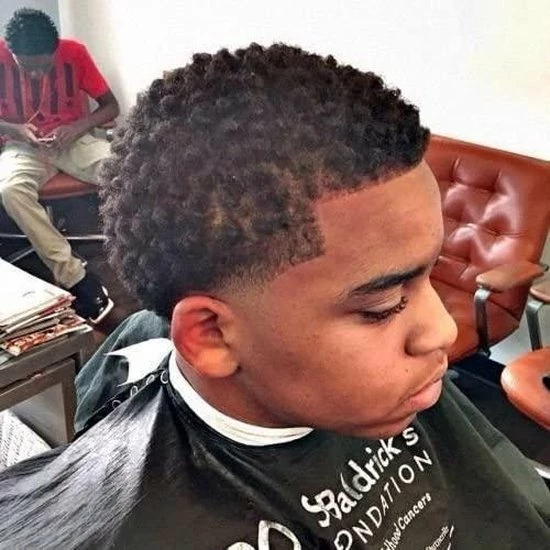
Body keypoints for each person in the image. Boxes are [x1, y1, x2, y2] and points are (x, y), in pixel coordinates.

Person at [0, 43, 548, 549]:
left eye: (430, 273)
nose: (443, 331)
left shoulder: (399, 385)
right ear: (212, 336)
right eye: (380, 308)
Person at [0, 8, 119, 323]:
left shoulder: (74, 53)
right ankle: (75, 277)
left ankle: (147, 255)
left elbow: (111, 107)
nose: (36, 75)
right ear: (11, 51)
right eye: (27, 68)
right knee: (11, 190)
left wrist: (77, 127)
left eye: (44, 66)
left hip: (74, 142)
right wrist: (15, 129)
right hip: (22, 147)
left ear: (55, 49)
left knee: (128, 170)